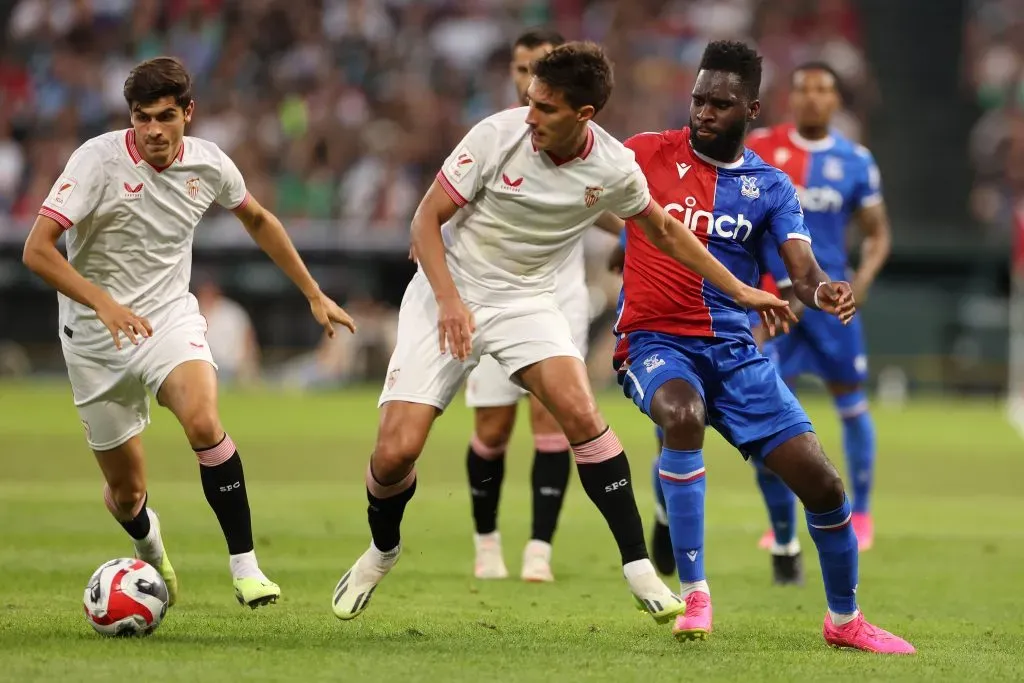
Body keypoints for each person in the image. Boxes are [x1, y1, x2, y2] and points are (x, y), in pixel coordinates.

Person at [330, 41, 792, 626]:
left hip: (526, 299)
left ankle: (638, 567)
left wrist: (741, 289)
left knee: (581, 414)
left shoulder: (614, 167)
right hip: (444, 291)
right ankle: (381, 551)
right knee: (395, 453)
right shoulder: (496, 137)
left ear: (584, 116)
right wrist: (448, 303)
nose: (530, 116)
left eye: (545, 108)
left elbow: (667, 233)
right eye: (529, 102)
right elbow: (425, 219)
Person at [612, 40, 914, 653]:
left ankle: (844, 620)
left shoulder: (770, 186)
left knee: (825, 487)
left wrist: (825, 289)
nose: (703, 112)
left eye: (719, 104)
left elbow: (801, 270)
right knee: (681, 414)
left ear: (750, 108)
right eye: (698, 99)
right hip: (654, 341)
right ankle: (695, 594)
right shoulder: (645, 153)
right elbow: (588, 185)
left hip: (734, 349)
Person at [21, 57, 355, 610]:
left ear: (188, 114)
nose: (152, 130)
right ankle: (151, 549)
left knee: (203, 419)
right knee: (126, 494)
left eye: (165, 117)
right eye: (141, 117)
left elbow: (259, 220)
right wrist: (102, 303)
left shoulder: (209, 164)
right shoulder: (94, 161)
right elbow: (37, 250)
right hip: (93, 337)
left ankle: (246, 568)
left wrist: (313, 293)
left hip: (167, 320)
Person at [462, 28, 623, 583]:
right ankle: (487, 543)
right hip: (490, 293)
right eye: (519, 67)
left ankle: (539, 549)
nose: (526, 77)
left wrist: (631, 232)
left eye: (535, 67)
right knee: (492, 427)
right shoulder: (497, 136)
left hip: (558, 294)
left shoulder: (580, 143)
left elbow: (596, 196)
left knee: (554, 418)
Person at [745, 63, 892, 575]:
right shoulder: (760, 145)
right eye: (803, 88)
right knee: (763, 417)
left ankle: (865, 514)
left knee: (851, 405)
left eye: (823, 90)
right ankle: (781, 527)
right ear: (792, 96)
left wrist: (864, 279)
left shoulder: (855, 161)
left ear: (836, 101)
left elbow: (877, 233)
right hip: (774, 302)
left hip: (829, 304)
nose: (811, 98)